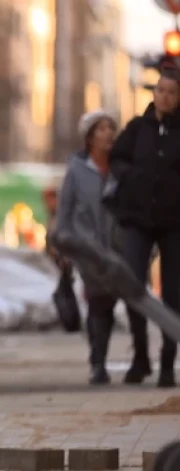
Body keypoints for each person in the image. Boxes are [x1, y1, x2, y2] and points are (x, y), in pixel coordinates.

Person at [107, 67, 180, 388]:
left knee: (174, 293)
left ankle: (167, 361)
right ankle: (140, 358)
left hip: (174, 223)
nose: (164, 96)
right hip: (138, 219)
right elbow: (117, 159)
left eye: (171, 91)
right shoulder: (138, 128)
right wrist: (130, 178)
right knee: (132, 284)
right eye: (160, 90)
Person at [56, 109, 119, 384]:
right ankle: (98, 362)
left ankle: (103, 356)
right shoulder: (77, 170)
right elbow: (65, 209)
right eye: (102, 129)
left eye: (110, 129)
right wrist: (62, 245)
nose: (108, 134)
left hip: (117, 248)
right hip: (88, 248)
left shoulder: (120, 168)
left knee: (109, 304)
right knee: (97, 301)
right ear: (90, 137)